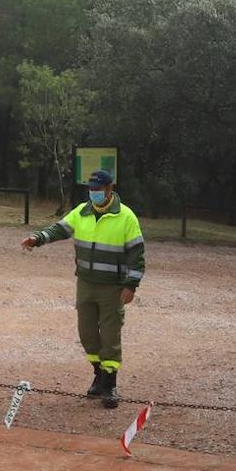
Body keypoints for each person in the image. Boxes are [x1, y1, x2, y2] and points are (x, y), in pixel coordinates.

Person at [21, 169, 145, 409]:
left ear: (110, 190)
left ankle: (110, 384)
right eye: (91, 189)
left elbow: (137, 254)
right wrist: (38, 239)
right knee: (87, 333)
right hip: (86, 283)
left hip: (113, 287)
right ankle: (98, 373)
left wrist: (131, 285)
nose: (94, 193)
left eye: (98, 189)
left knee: (110, 336)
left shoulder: (126, 217)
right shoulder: (82, 211)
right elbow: (60, 229)